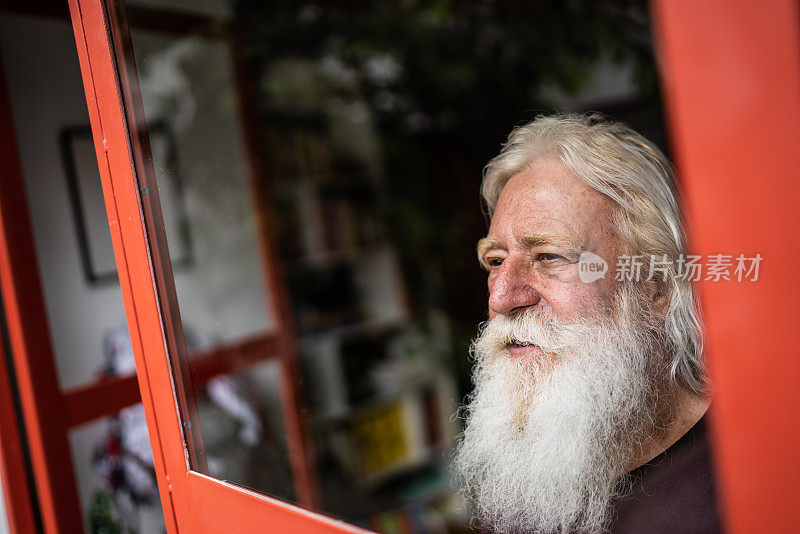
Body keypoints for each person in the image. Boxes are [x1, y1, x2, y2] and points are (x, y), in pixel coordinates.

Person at [453, 114, 722, 533]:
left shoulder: (747, 479)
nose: (500, 298)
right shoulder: (523, 483)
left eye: (549, 257)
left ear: (655, 286)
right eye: (495, 261)